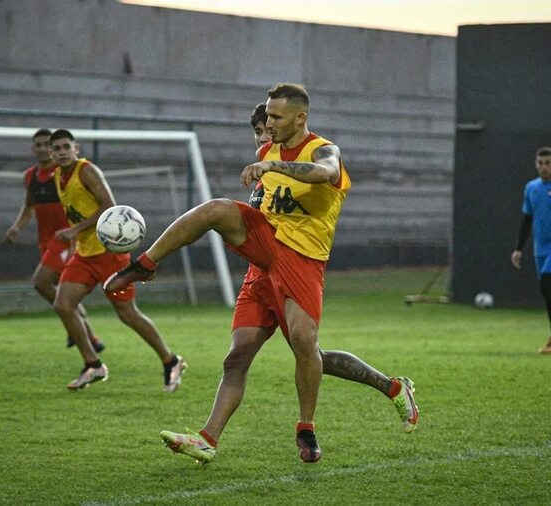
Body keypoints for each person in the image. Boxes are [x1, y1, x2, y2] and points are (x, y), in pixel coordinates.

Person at [104, 84, 418, 463]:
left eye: (275, 117)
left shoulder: (321, 149)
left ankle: (335, 414)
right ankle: (145, 267)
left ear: (301, 118)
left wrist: (271, 165)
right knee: (236, 353)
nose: (268, 124)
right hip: (265, 259)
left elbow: (325, 172)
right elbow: (259, 211)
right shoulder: (265, 151)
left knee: (307, 347)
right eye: (265, 117)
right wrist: (262, 172)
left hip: (302, 259)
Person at [48, 129, 186, 391]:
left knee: (127, 313)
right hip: (85, 254)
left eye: (67, 146)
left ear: (76, 149)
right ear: (51, 153)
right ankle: (92, 365)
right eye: (57, 148)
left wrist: (75, 231)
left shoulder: (87, 171)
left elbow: (109, 206)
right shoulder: (58, 175)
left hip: (109, 255)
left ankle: (171, 360)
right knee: (63, 304)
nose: (62, 152)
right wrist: (77, 236)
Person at [5, 128, 104, 353]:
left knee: (41, 282)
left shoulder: (64, 173)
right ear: (34, 149)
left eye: (45, 145)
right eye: (38, 145)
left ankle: (83, 333)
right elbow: (29, 206)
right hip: (47, 240)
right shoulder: (30, 176)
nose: (42, 149)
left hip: (66, 239)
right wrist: (16, 227)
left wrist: (76, 230)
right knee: (64, 293)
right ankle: (88, 335)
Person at [511, 146, 551, 354]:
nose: (544, 167)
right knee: (547, 293)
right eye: (541, 163)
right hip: (540, 248)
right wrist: (518, 248)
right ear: (536, 165)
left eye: (548, 163)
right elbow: (527, 220)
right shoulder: (532, 188)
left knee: (547, 281)